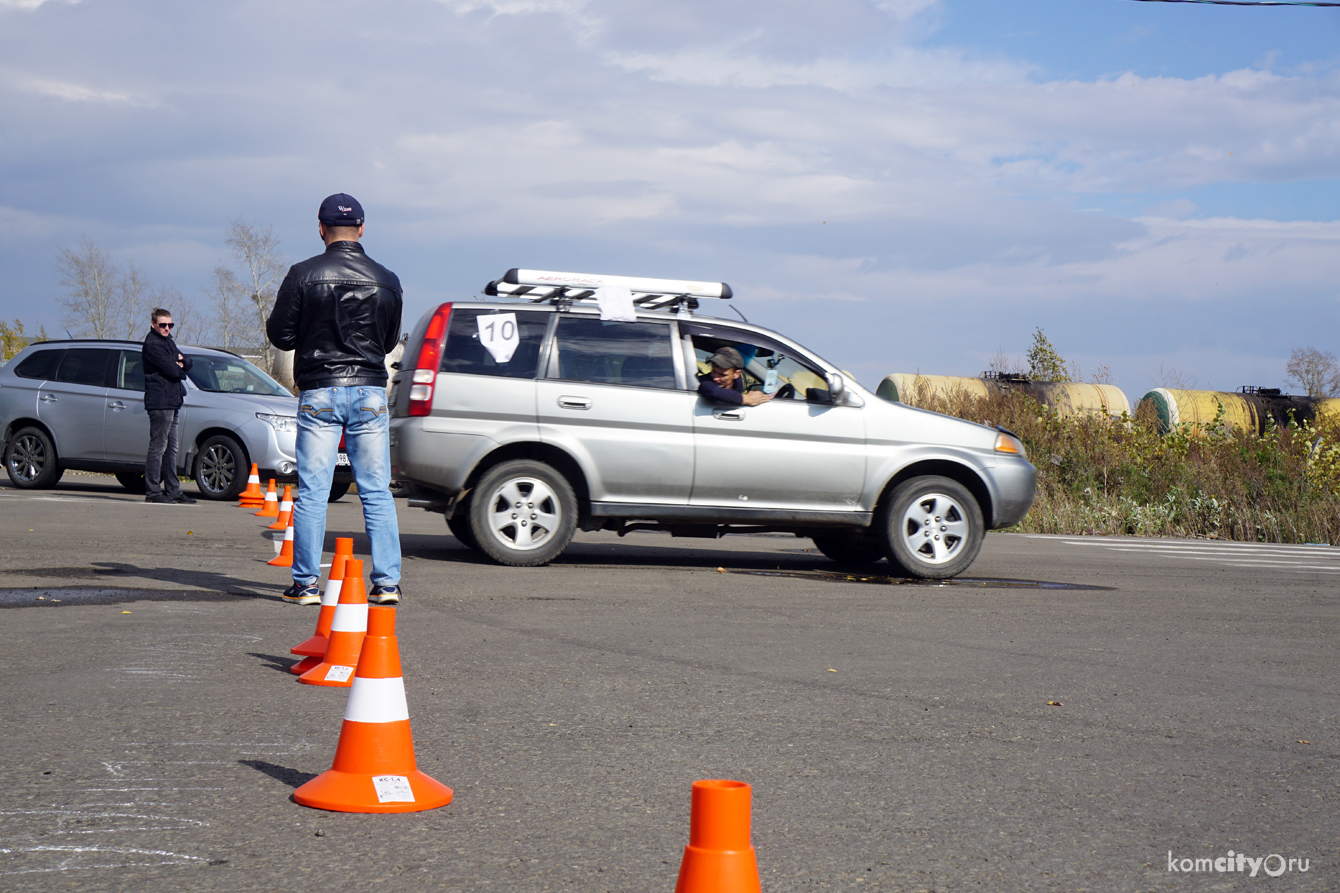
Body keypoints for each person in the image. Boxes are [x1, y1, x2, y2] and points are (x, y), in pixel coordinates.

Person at [266, 193, 404, 606]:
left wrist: (313, 336)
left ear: (321, 229)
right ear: (362, 229)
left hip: (321, 389)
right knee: (376, 490)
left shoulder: (303, 274)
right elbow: (389, 340)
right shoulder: (386, 279)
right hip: (368, 390)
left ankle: (306, 584)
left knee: (312, 490)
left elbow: (280, 335)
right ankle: (386, 584)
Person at [141, 308, 196, 505]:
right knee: (158, 446)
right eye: (162, 325)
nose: (166, 328)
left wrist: (182, 362)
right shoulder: (153, 344)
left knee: (172, 448)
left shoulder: (168, 341)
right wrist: (179, 365)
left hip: (172, 400)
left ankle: (173, 490)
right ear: (153, 324)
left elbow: (188, 361)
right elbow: (174, 370)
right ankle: (153, 490)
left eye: (169, 325)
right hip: (160, 401)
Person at [697, 346, 774, 407]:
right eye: (714, 371)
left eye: (722, 375)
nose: (715, 378)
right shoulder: (704, 382)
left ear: (736, 374)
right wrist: (748, 399)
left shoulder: (740, 386)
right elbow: (711, 390)